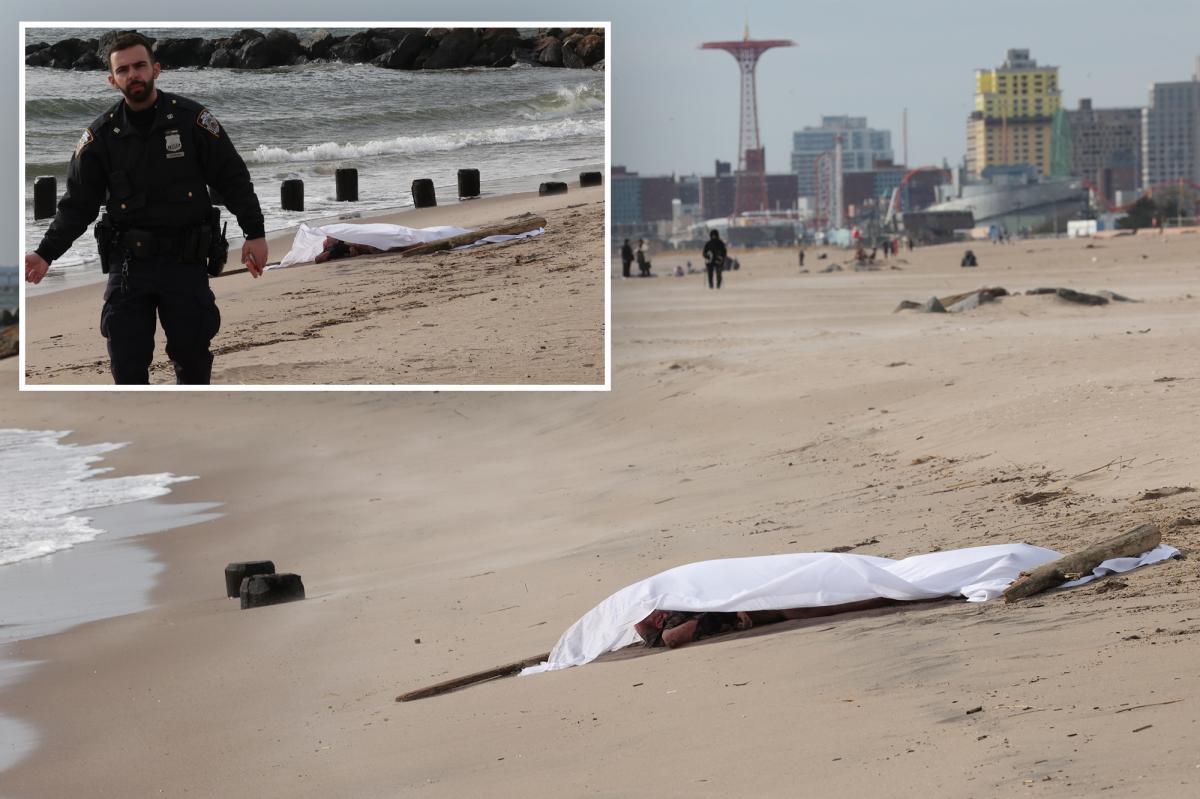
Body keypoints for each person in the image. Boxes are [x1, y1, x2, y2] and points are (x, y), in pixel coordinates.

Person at [24, 32, 267, 385]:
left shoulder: (193, 121)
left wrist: (255, 233)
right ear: (112, 79)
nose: (133, 74)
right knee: (126, 366)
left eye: (140, 66)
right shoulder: (99, 137)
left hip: (186, 262)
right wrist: (45, 253)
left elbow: (233, 179)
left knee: (193, 362)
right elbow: (77, 206)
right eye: (123, 69)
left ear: (156, 69)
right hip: (128, 268)